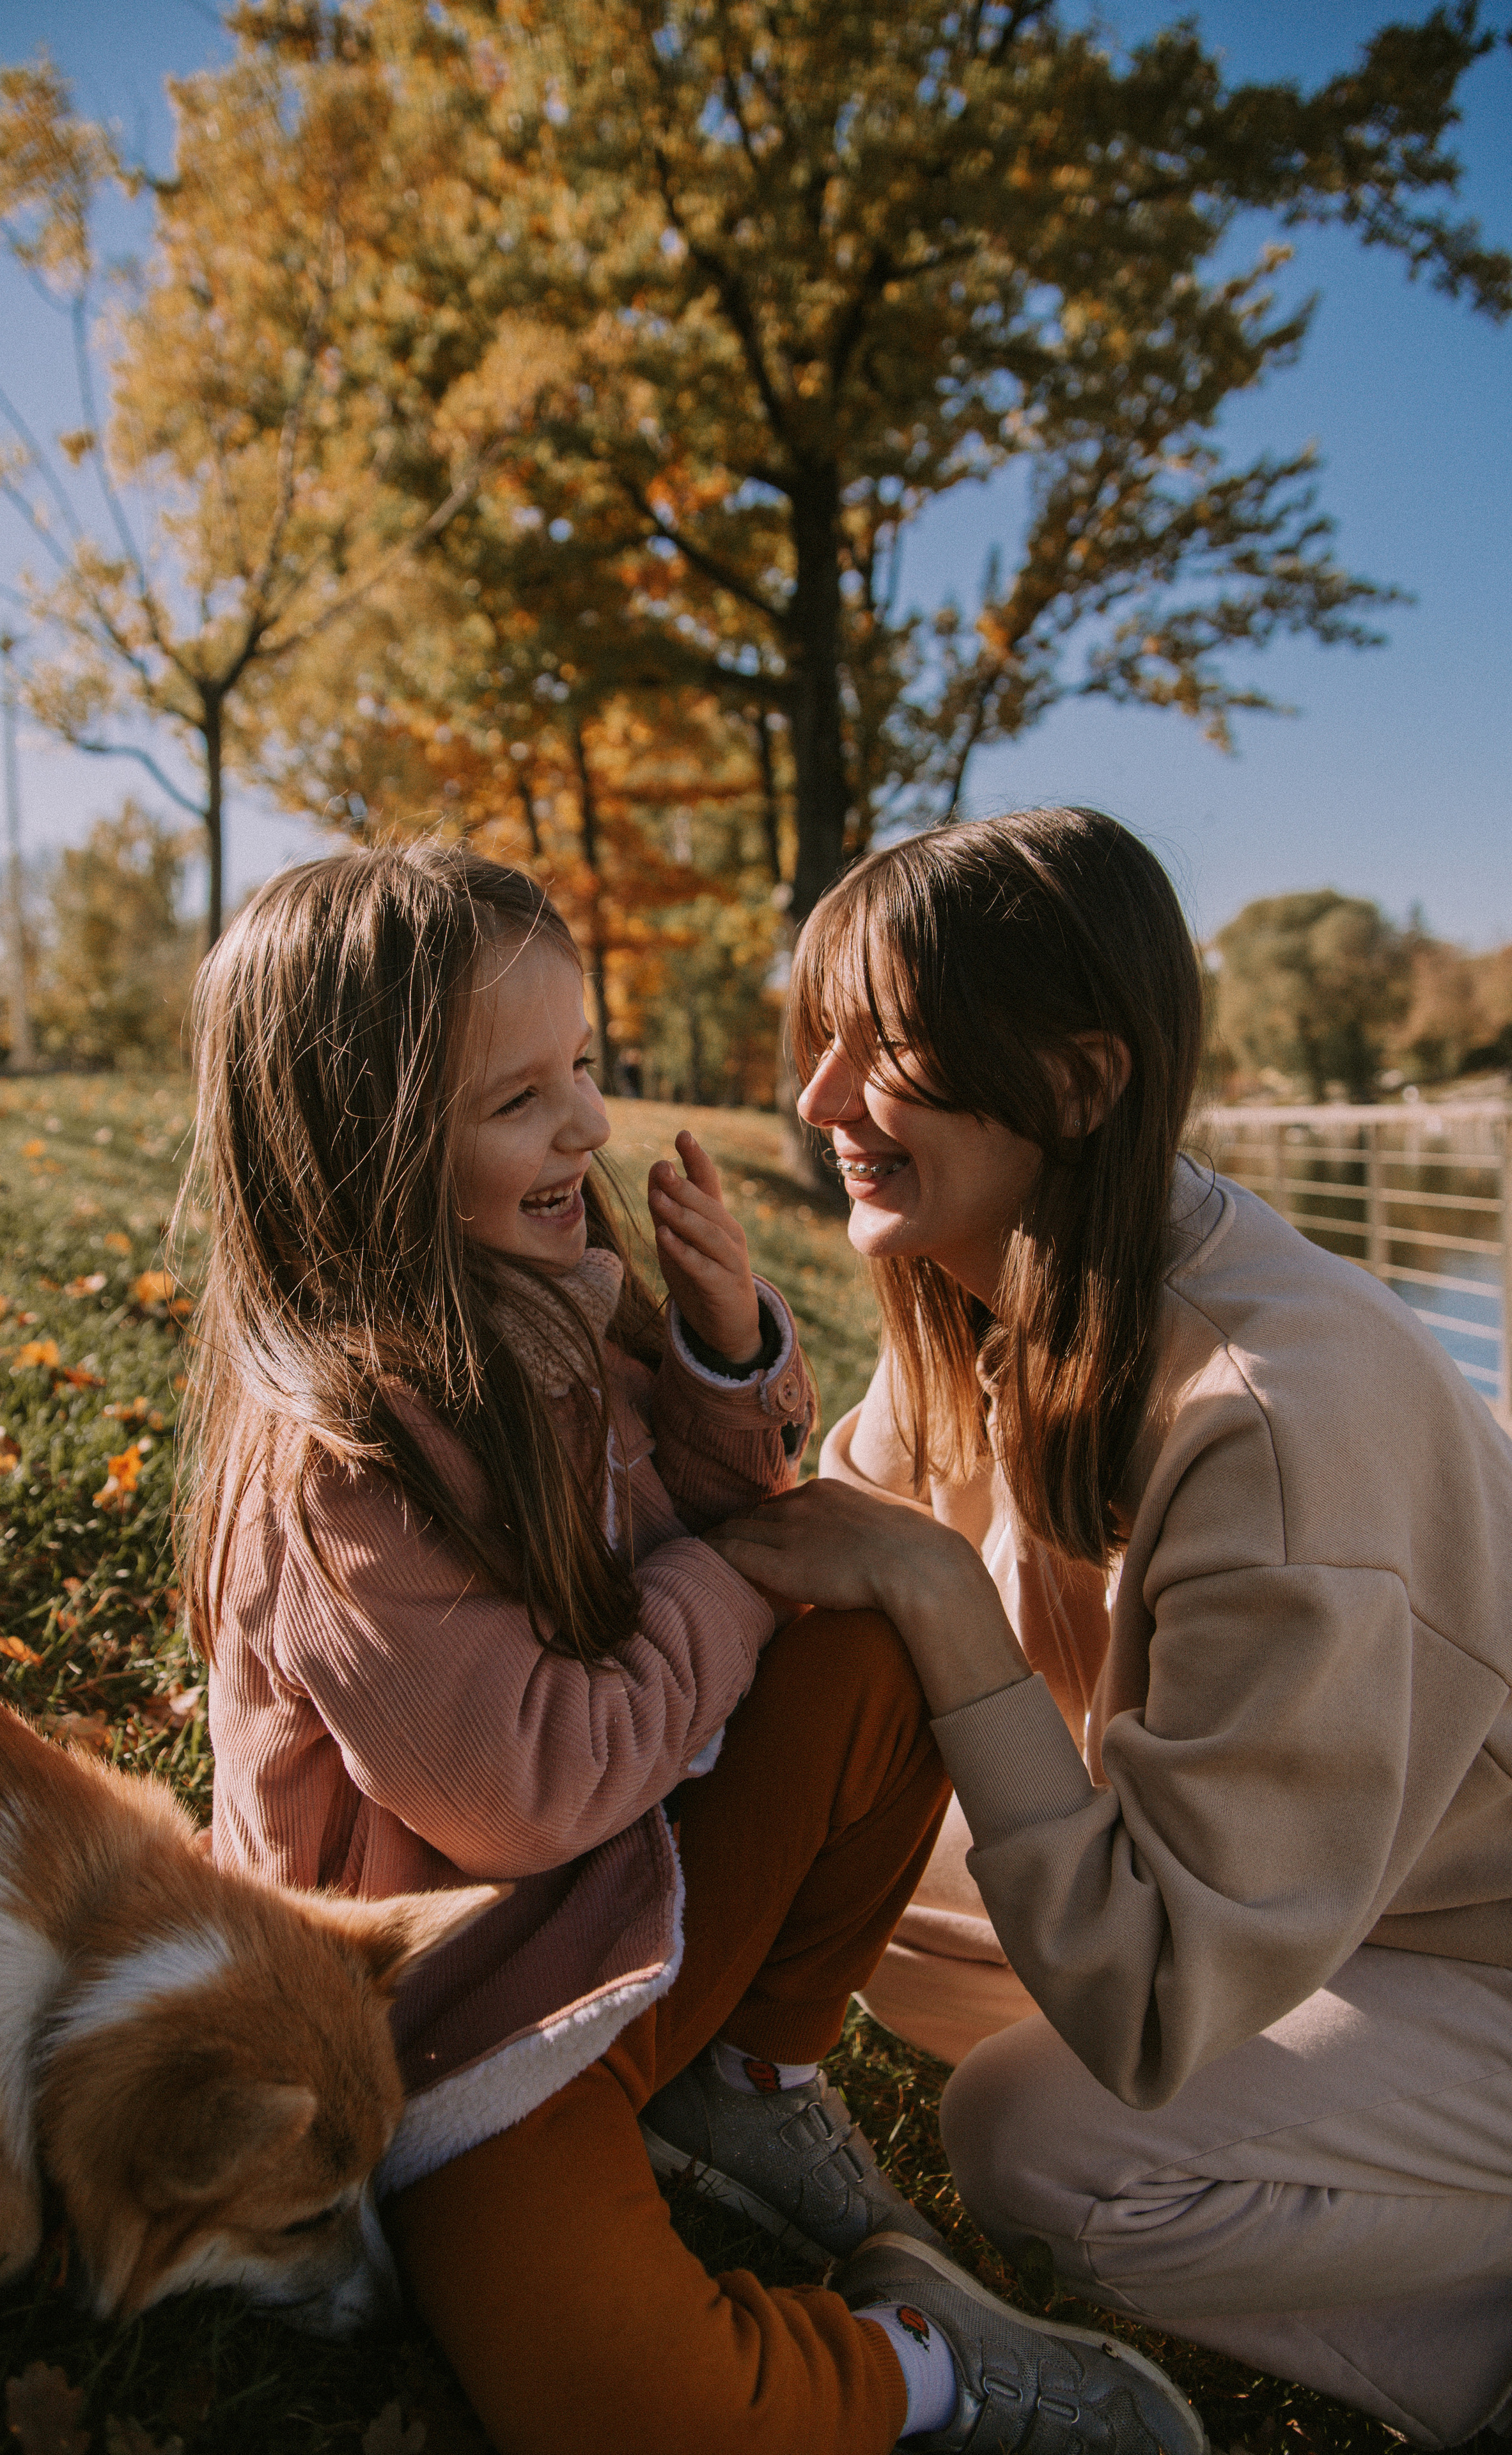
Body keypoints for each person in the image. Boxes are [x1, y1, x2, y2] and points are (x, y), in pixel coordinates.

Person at [178, 841, 1204, 2455]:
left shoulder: (558, 1302)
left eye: (578, 1068)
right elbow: (532, 1794)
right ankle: (925, 2365)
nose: (585, 1124)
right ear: (359, 1152)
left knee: (872, 1656)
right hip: (450, 2030)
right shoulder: (335, 1476)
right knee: (621, 2403)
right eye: (520, 1101)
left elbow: (720, 1544)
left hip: (620, 1912)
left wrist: (723, 1364)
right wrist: (731, 1574)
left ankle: (746, 2073)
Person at [712, 806, 1512, 2453]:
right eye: (821, 1041)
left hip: (1471, 1955)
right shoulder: (995, 1283)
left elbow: (1147, 1995)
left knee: (1035, 2133)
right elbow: (818, 1542)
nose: (815, 1103)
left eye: (889, 1048)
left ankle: (1476, 2332)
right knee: (867, 1919)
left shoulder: (1279, 1422)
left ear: (1075, 1081)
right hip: (1313, 1901)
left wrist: (942, 1603)